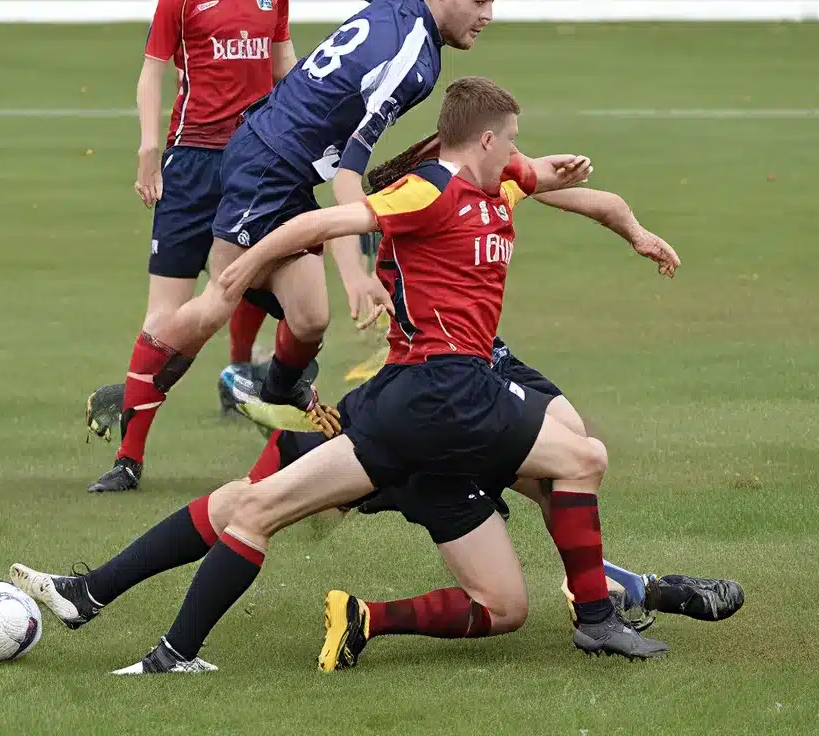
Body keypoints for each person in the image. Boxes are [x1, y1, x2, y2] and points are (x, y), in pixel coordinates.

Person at [34, 76, 677, 671]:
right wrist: (243, 268)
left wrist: (634, 230)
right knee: (581, 456)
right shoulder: (429, 189)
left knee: (498, 602)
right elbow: (326, 220)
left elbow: (572, 187)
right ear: (484, 139)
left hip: (414, 416)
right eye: (510, 137)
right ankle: (598, 613)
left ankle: (99, 598)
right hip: (442, 396)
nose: (520, 151)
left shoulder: (500, 177)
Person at [108, 0, 512, 495]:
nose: (488, 16)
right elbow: (350, 173)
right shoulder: (413, 64)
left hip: (287, 166)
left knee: (309, 318)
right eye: (480, 0)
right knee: (215, 301)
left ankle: (274, 392)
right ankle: (130, 437)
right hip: (266, 161)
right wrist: (356, 274)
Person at [88, 0, 301, 494]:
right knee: (168, 314)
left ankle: (266, 397)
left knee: (293, 304)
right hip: (193, 163)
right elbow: (152, 72)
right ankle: (129, 458)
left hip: (260, 163)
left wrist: (307, 132)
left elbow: (283, 63)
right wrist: (150, 147)